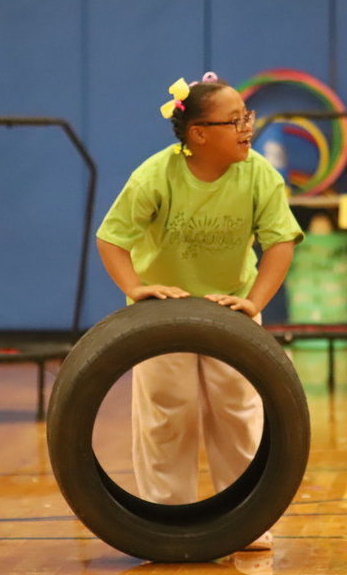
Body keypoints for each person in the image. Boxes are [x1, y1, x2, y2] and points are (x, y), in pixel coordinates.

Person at [95, 72, 303, 551]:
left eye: (247, 118)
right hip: (162, 316)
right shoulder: (155, 176)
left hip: (232, 308)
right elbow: (112, 238)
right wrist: (135, 288)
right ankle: (166, 522)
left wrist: (255, 302)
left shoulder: (260, 176)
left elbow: (280, 242)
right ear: (199, 134)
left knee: (239, 411)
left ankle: (246, 520)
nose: (247, 128)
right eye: (235, 121)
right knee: (169, 414)